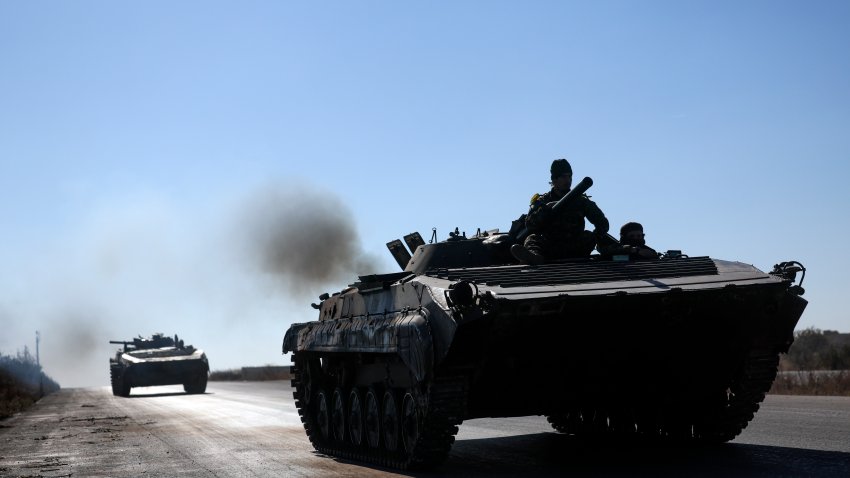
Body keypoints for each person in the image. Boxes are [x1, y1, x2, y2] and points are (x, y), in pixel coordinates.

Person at [511, 158, 609, 265]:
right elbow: (530, 225)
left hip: (575, 246)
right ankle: (535, 257)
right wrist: (546, 209)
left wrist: (596, 237)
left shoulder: (580, 201)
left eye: (569, 176)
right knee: (532, 239)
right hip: (551, 246)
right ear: (554, 180)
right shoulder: (543, 201)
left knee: (589, 236)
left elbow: (603, 224)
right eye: (563, 176)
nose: (568, 180)